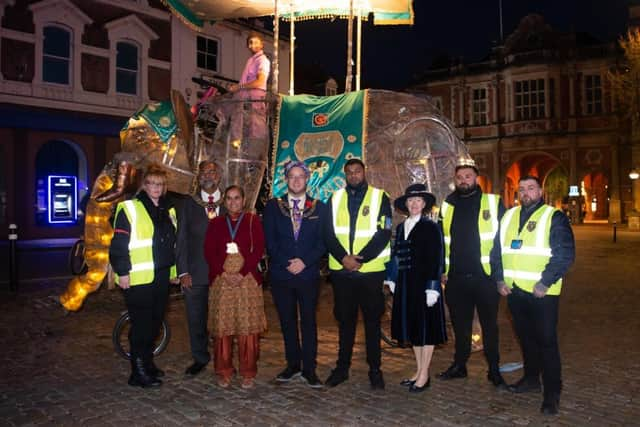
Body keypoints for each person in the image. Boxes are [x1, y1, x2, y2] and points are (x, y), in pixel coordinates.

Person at [493, 175, 575, 415]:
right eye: (521, 189)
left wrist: (545, 282)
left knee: (547, 342)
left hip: (542, 294)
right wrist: (499, 279)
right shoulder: (508, 216)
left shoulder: (553, 216)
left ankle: (552, 392)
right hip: (515, 291)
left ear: (540, 192)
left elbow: (565, 254)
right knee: (526, 340)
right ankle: (531, 379)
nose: (525, 193)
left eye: (530, 188)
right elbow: (496, 252)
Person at [323, 158, 392, 390]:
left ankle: (375, 370)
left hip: (370, 272)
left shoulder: (380, 197)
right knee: (345, 322)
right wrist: (344, 258)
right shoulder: (334, 198)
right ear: (345, 175)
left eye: (357, 172)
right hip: (342, 272)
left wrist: (359, 259)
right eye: (349, 172)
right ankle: (342, 368)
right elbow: (328, 233)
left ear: (365, 172)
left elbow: (384, 233)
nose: (353, 175)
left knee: (372, 323)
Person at [438, 158, 507, 387]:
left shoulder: (493, 202)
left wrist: (499, 275)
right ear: (455, 180)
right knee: (460, 326)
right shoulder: (447, 205)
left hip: (485, 278)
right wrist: (442, 270)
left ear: (476, 178)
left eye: (468, 176)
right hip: (456, 278)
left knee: (489, 326)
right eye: (459, 177)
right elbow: (442, 241)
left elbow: (502, 241)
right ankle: (460, 365)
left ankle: (494, 368)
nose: (463, 180)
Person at [109, 163, 177, 388]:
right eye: (152, 183)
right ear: (144, 186)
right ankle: (138, 372)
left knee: (155, 323)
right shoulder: (129, 208)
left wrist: (173, 272)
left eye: (160, 184)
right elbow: (118, 243)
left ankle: (146, 363)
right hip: (138, 278)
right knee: (141, 325)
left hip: (160, 275)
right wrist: (122, 272)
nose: (156, 187)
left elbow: (171, 245)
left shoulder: (169, 210)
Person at [263, 161, 328, 388]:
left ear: (307, 179)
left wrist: (305, 261)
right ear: (286, 179)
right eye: (292, 176)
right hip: (282, 274)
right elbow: (269, 242)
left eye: (301, 176)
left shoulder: (319, 207)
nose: (297, 180)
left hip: (308, 275)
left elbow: (323, 242)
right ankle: (293, 365)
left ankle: (309, 369)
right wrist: (286, 262)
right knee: (287, 322)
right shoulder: (273, 206)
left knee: (309, 322)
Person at [385, 184, 447, 393]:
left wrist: (433, 287)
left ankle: (424, 374)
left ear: (424, 204)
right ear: (406, 204)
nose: (414, 204)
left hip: (424, 285)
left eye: (418, 200)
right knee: (414, 328)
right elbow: (396, 253)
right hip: (405, 284)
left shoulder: (431, 227)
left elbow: (437, 258)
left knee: (426, 329)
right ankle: (419, 370)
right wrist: (392, 277)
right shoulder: (402, 227)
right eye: (411, 201)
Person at [204, 185, 266, 389]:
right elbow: (209, 251)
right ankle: (224, 371)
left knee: (247, 329)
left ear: (244, 199)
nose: (233, 202)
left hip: (247, 279)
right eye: (229, 198)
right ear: (224, 201)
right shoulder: (216, 223)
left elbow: (258, 249)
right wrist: (223, 274)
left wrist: (241, 272)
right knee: (223, 329)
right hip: (222, 281)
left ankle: (248, 372)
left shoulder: (252, 221)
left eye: (237, 198)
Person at [177, 160, 223, 377]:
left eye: (212, 171)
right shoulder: (189, 203)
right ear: (198, 177)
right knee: (196, 318)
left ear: (219, 175)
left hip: (225, 274)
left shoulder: (232, 199)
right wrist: (183, 271)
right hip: (195, 273)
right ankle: (200, 357)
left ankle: (224, 357)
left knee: (223, 318)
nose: (208, 175)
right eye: (204, 172)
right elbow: (181, 239)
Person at [226, 32, 271, 144]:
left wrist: (239, 87)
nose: (252, 45)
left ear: (262, 44)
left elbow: (260, 81)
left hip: (254, 100)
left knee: (255, 130)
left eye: (256, 42)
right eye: (250, 43)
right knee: (244, 129)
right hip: (246, 100)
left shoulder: (262, 60)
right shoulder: (251, 60)